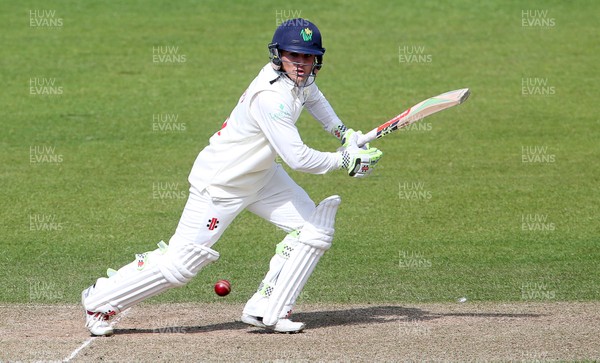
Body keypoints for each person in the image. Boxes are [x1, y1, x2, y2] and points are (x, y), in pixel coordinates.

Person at [81, 18, 383, 336]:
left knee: (313, 231)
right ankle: (100, 299)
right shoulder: (270, 98)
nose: (302, 64)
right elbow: (298, 158)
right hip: (221, 184)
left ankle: (268, 306)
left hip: (262, 176)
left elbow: (316, 101)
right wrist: (344, 160)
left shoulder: (301, 82)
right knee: (181, 265)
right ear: (278, 55)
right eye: (294, 56)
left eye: (308, 57)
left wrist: (344, 134)